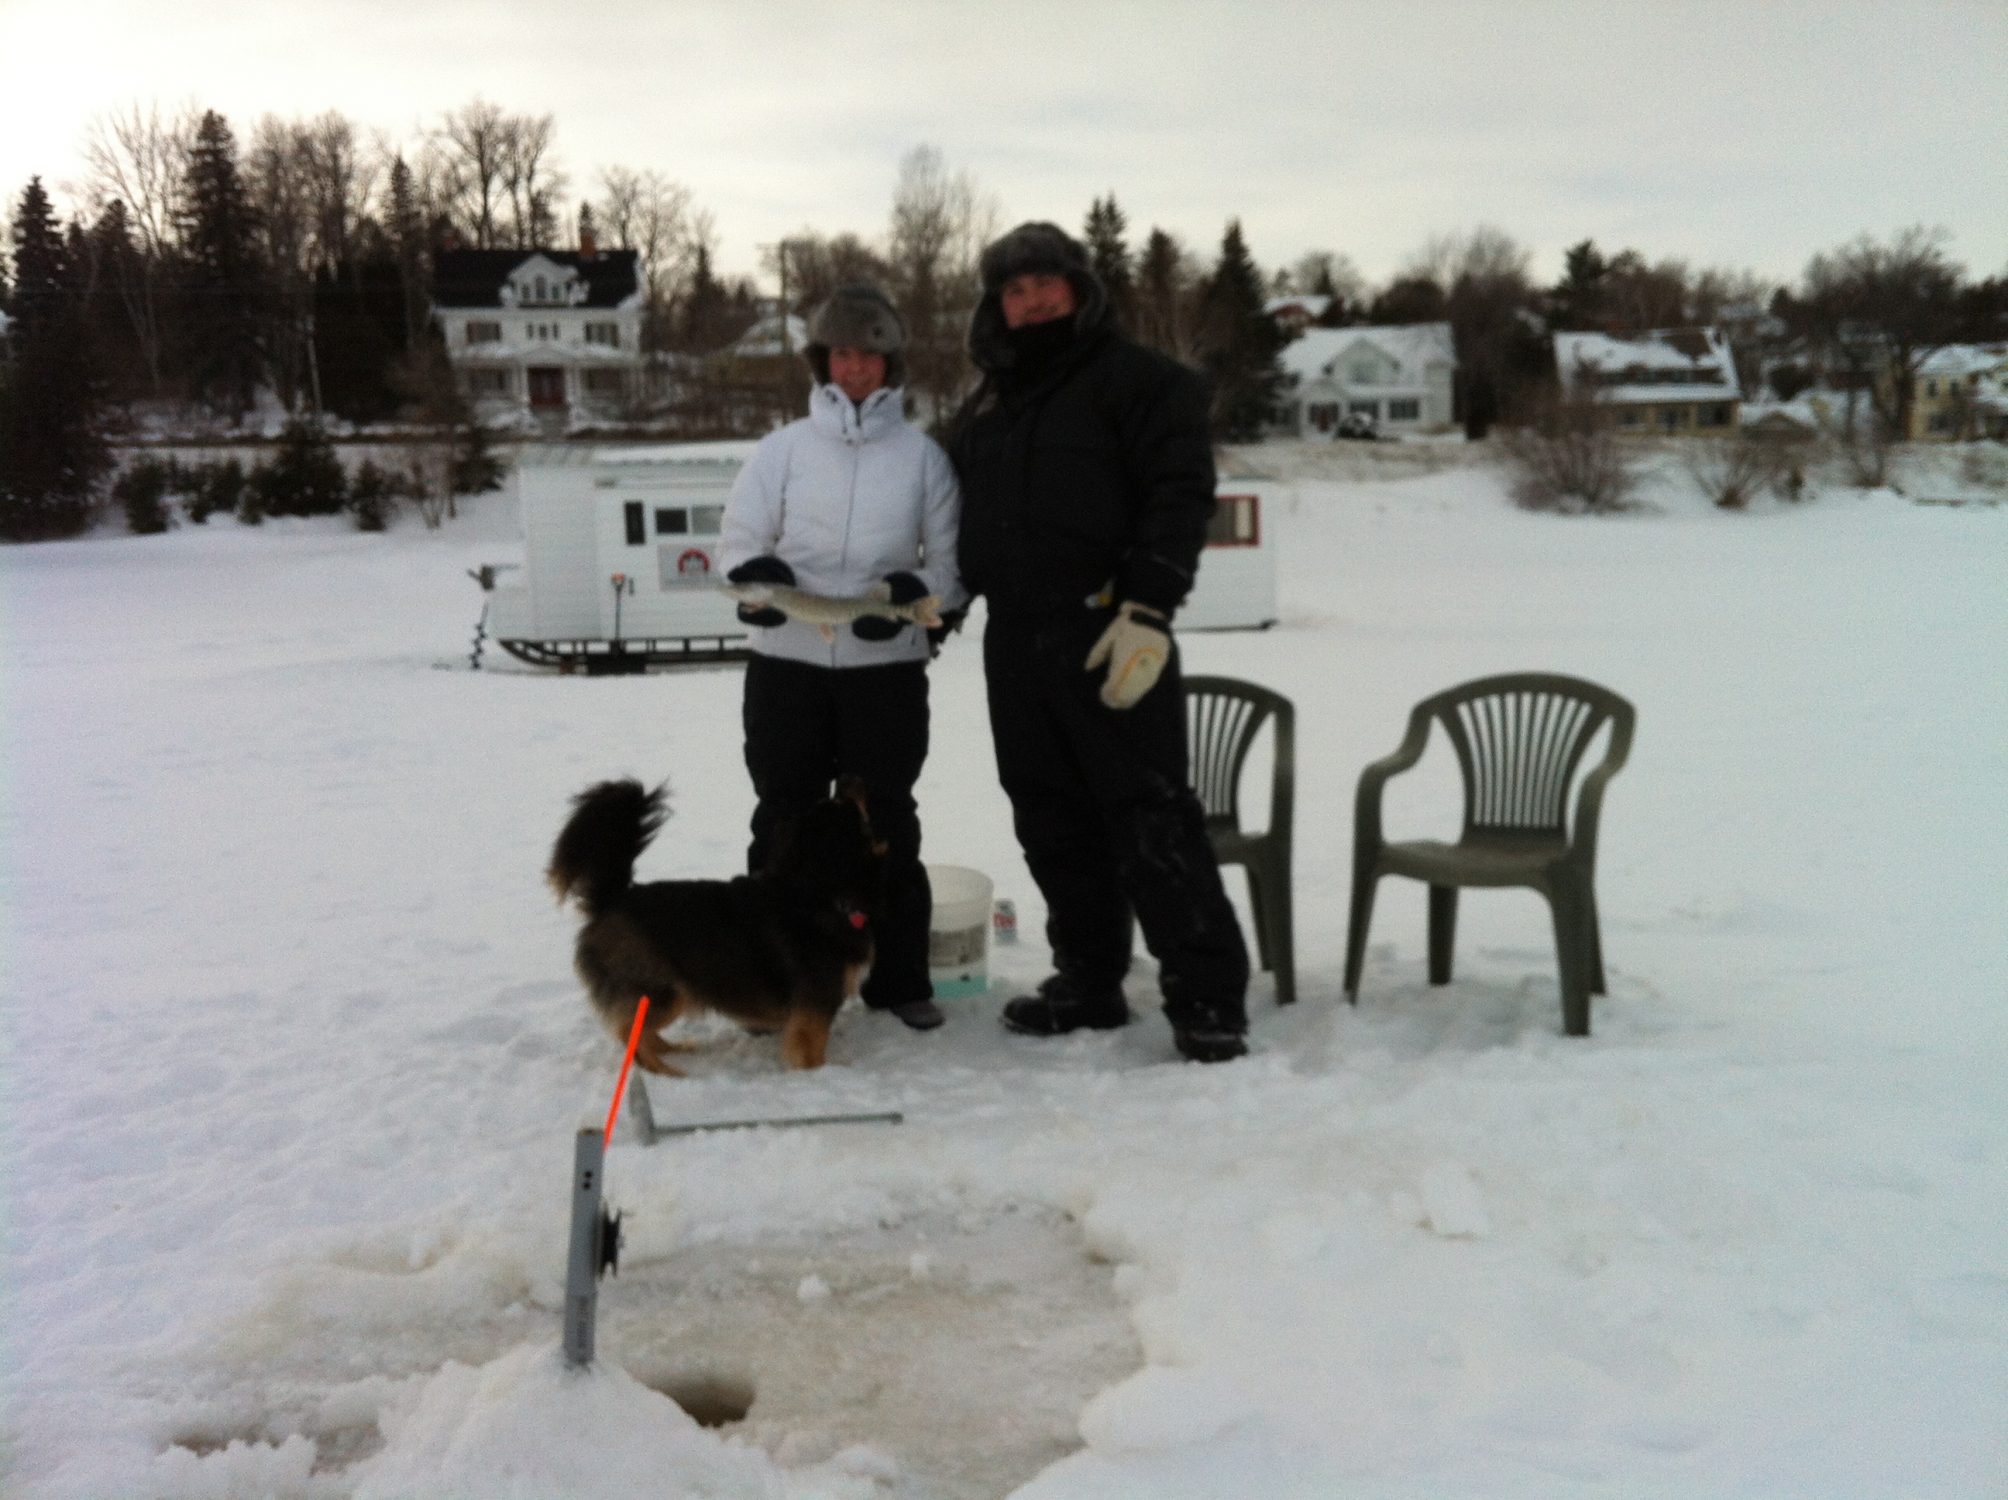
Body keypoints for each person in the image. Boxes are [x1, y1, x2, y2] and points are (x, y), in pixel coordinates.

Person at [948, 222, 1250, 1063]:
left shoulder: (1145, 384)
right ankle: (1088, 981)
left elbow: (1180, 493)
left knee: (1151, 817)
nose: (1032, 299)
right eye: (1014, 290)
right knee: (1051, 819)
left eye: (1047, 283)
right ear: (996, 307)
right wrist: (930, 605)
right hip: (1015, 640)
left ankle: (1207, 999)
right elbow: (961, 525)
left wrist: (1149, 608)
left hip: (1112, 631)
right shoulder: (987, 409)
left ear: (1081, 289)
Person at [720, 284, 966, 1031]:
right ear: (821, 360)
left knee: (887, 820)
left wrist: (911, 594)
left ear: (890, 362)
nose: (854, 366)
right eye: (841, 352)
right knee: (784, 819)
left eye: (868, 352)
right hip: (785, 670)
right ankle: (773, 983)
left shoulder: (923, 457)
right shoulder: (782, 450)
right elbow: (738, 544)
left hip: (885, 676)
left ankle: (900, 980)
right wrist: (764, 587)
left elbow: (950, 569)